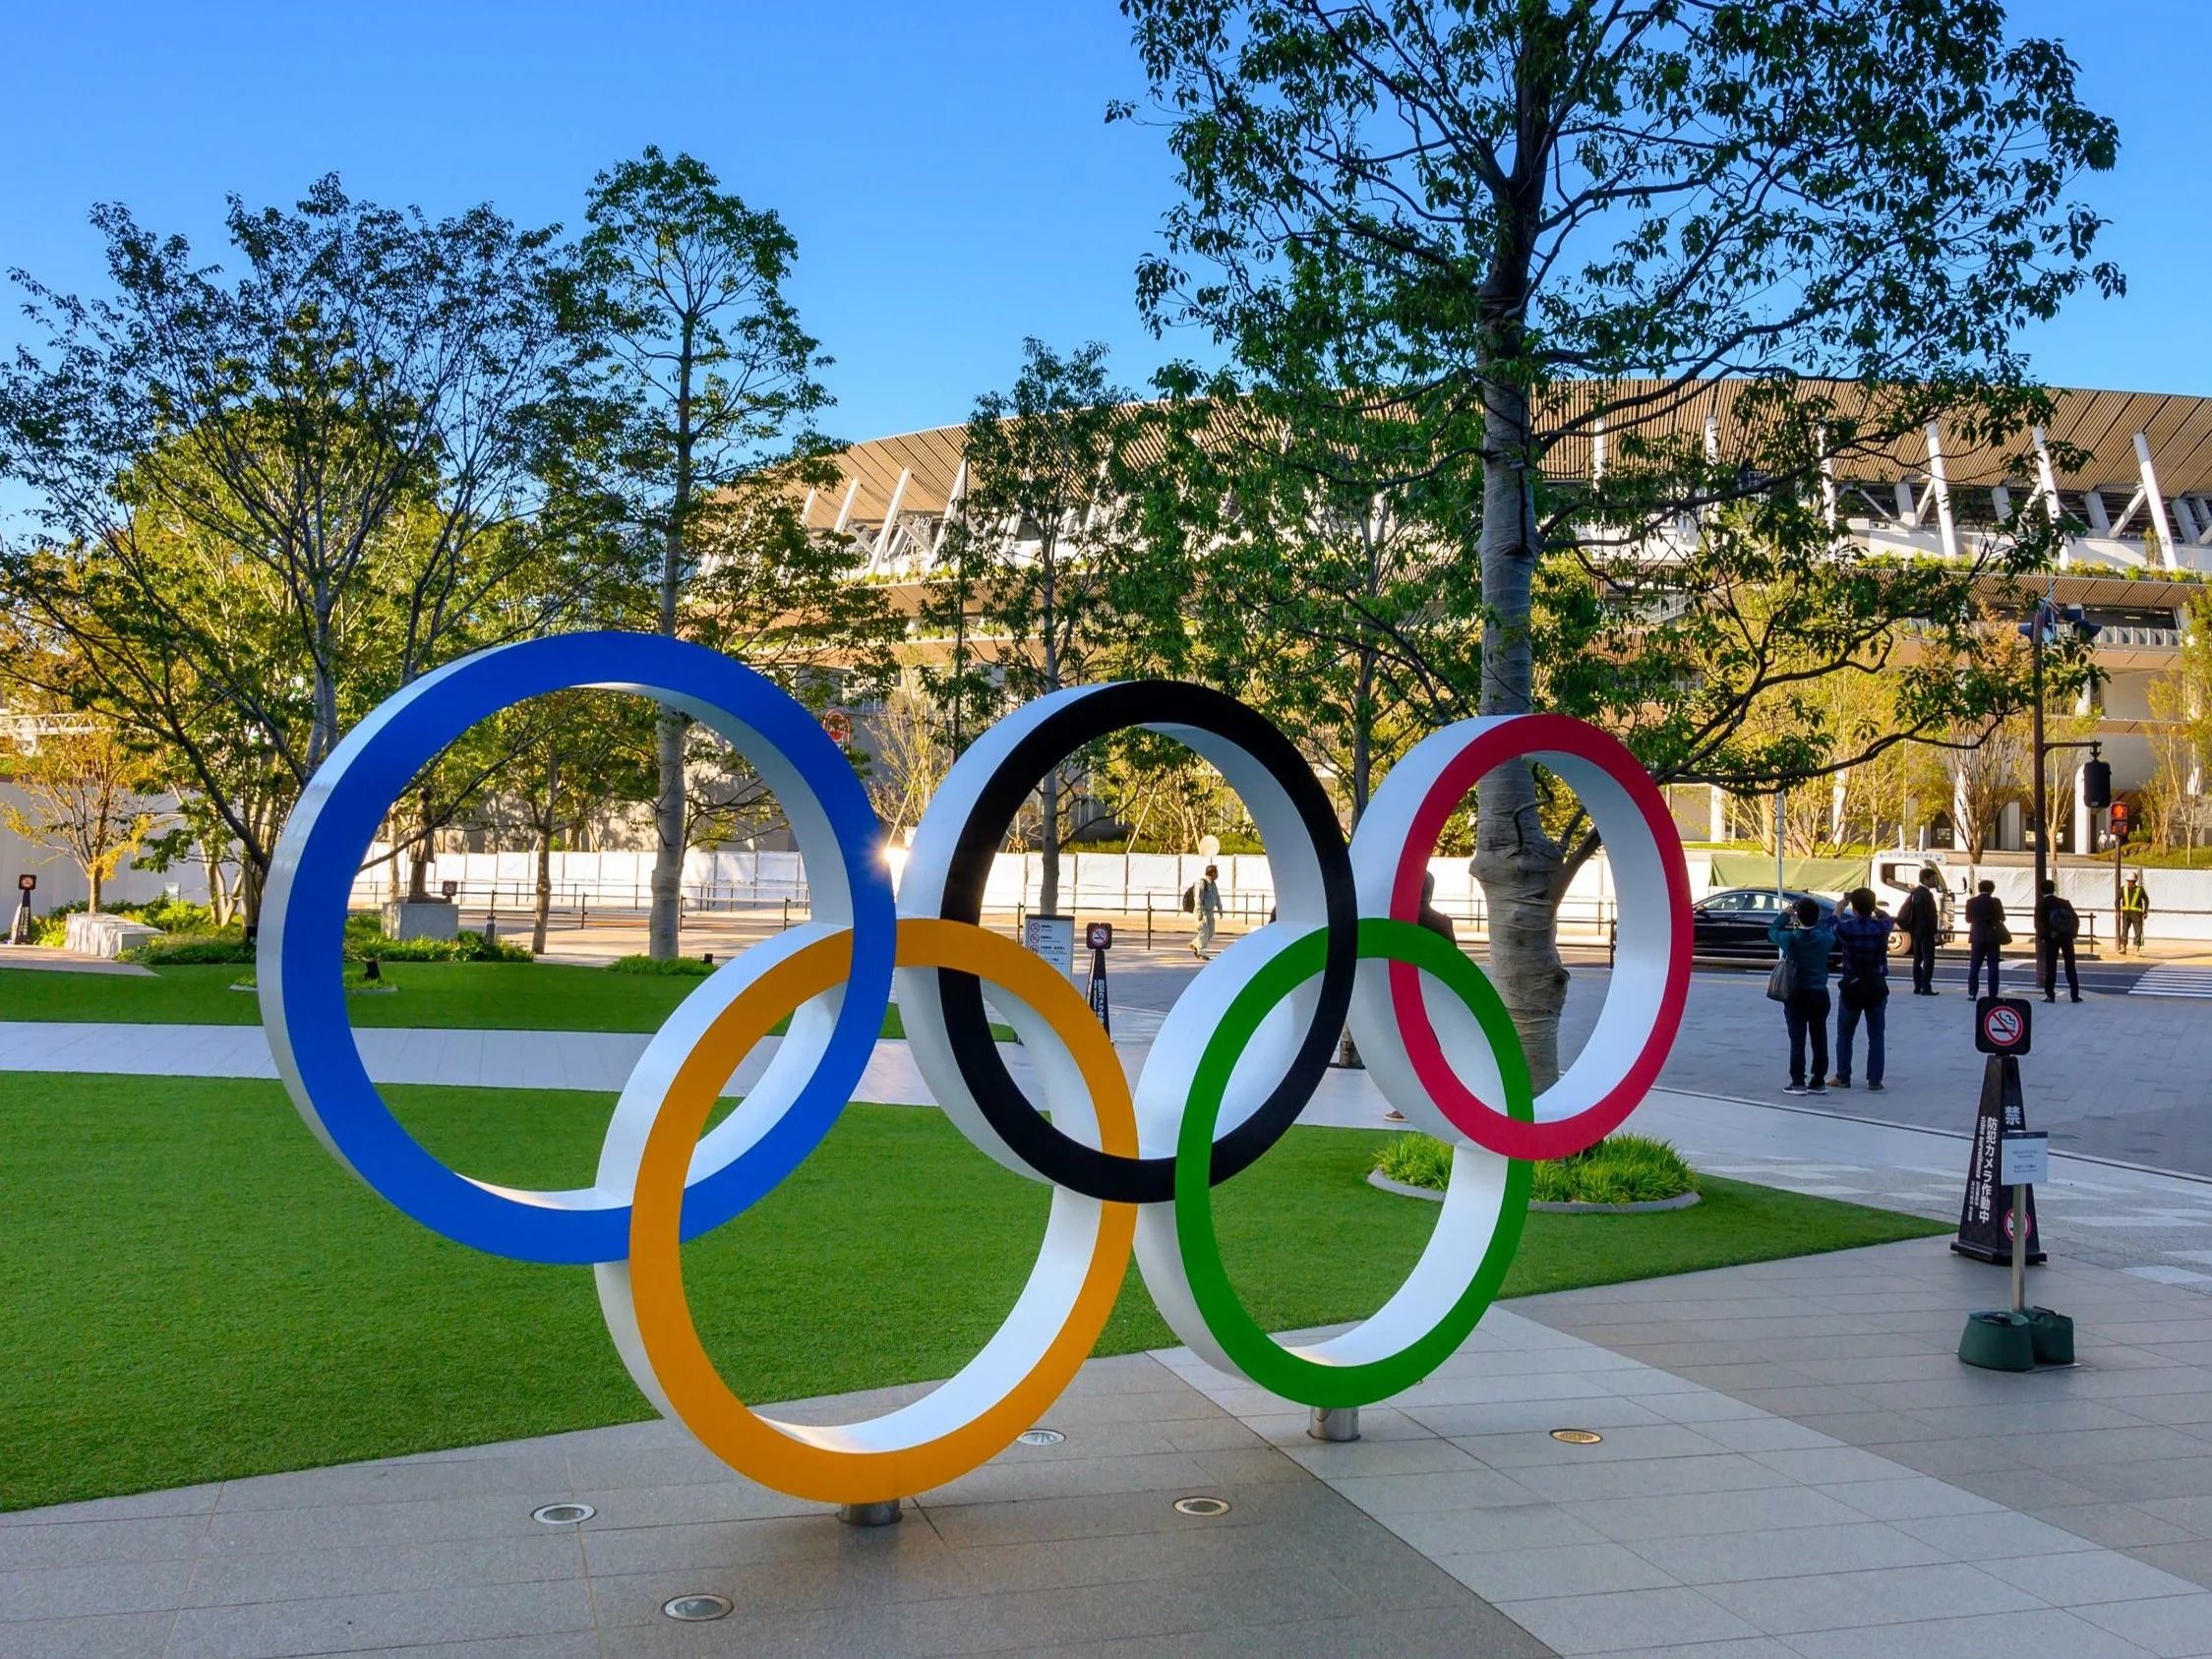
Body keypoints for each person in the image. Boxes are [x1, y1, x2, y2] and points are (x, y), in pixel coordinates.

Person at [1767, 896, 1836, 1096]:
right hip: (1819, 993)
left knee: (1797, 1038)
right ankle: (1818, 1080)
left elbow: (1773, 930)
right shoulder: (1824, 939)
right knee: (1819, 1036)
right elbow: (1829, 930)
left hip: (1796, 993)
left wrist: (1787, 914)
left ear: (1798, 916)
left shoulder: (1791, 939)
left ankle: (1798, 1081)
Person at [1829, 888, 1893, 1092]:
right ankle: (1875, 1079)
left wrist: (1839, 908)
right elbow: (1888, 918)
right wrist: (1874, 908)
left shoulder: (1846, 928)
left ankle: (1843, 1076)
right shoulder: (1882, 927)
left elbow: (1830, 926)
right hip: (1876, 985)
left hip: (1852, 985)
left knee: (1845, 1034)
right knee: (1876, 1035)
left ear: (1854, 908)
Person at [1896, 866, 1943, 995]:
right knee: (1928, 960)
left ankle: (1917, 986)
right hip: (1926, 931)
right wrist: (1934, 931)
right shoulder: (1927, 895)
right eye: (1933, 878)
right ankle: (1926, 987)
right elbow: (1930, 915)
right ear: (1926, 879)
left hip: (1915, 931)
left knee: (1917, 960)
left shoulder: (1915, 892)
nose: (1935, 881)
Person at [2036, 878, 2081, 1003]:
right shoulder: (2064, 902)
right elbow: (2075, 919)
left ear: (2041, 890)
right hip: (2067, 937)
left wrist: (2042, 937)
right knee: (2070, 965)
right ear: (2054, 889)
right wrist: (2072, 933)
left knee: (2051, 966)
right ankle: (2075, 994)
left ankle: (2050, 994)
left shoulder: (2042, 904)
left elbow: (2039, 923)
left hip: (2051, 938)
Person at [1963, 878, 2006, 998]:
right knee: (1993, 966)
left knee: (1974, 966)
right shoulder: (1995, 902)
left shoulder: (1971, 902)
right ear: (1992, 890)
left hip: (1977, 936)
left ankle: (1972, 993)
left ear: (1979, 889)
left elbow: (1968, 919)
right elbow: (2002, 918)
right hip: (1993, 936)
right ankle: (1993, 994)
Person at [1192, 863, 1223, 960]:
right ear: (1213, 873)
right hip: (1203, 911)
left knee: (1211, 932)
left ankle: (1195, 944)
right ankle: (1201, 953)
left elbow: (1217, 897)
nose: (1218, 875)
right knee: (1204, 933)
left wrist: (1220, 908)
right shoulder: (1201, 883)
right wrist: (1199, 912)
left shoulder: (1213, 884)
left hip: (1210, 912)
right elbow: (1198, 899)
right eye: (1217, 872)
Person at [2120, 870, 2150, 955]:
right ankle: (2123, 947)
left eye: (2132, 882)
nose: (2131, 883)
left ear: (2135, 881)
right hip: (2126, 914)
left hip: (2137, 915)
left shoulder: (2140, 890)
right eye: (2129, 881)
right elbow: (2117, 900)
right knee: (2124, 930)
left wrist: (2145, 911)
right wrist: (2117, 911)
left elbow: (2146, 900)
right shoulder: (2123, 889)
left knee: (2138, 931)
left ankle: (2136, 948)